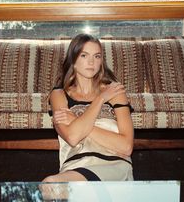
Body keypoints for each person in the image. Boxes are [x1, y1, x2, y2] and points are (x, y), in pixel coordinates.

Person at [42, 34, 134, 182]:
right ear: (73, 60)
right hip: (76, 165)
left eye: (97, 56)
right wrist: (101, 98)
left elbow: (126, 146)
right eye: (84, 55)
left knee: (51, 184)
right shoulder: (59, 95)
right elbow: (72, 138)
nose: (91, 61)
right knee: (50, 186)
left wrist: (78, 121)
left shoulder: (115, 93)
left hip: (113, 165)